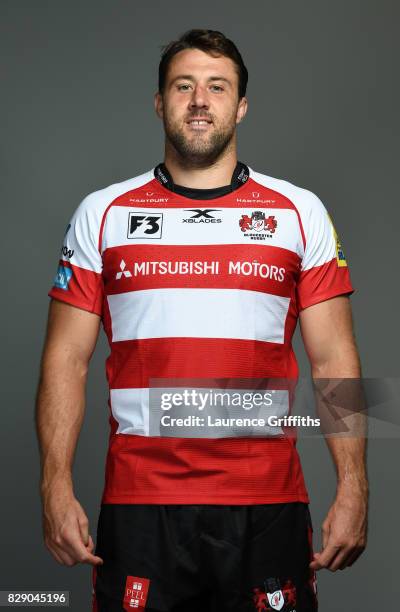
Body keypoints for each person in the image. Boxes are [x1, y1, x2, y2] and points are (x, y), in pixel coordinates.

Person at [36, 29, 368, 612]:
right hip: (142, 504)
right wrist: (54, 484)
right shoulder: (104, 213)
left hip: (266, 502)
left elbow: (335, 359)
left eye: (217, 87)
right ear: (159, 102)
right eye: (182, 86)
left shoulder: (299, 211)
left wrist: (355, 486)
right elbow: (65, 357)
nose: (198, 100)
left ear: (240, 106)